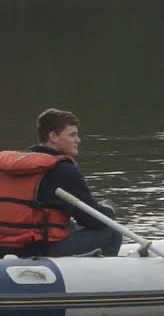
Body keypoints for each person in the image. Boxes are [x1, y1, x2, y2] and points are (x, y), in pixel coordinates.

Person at [0, 108, 123, 258]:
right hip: (38, 250)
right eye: (73, 135)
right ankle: (99, 276)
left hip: (5, 248)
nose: (78, 140)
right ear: (53, 136)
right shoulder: (62, 170)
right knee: (112, 230)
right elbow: (94, 221)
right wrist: (109, 210)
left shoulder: (9, 167)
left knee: (67, 224)